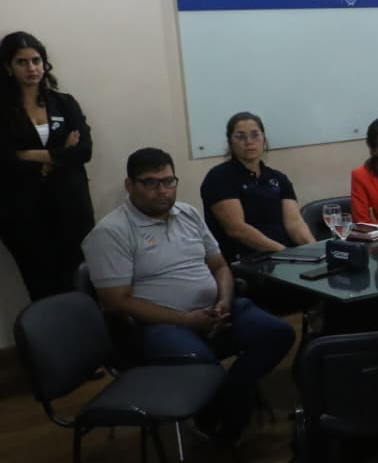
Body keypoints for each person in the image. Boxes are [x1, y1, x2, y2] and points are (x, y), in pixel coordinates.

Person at [81, 148, 296, 443]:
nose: (162, 191)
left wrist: (223, 300)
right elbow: (116, 301)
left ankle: (226, 399)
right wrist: (189, 320)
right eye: (150, 183)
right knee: (203, 364)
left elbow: (220, 265)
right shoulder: (111, 232)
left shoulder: (188, 214)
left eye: (169, 181)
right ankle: (221, 419)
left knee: (279, 334)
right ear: (129, 185)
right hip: (161, 326)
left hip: (216, 312)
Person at [0, 31, 96, 301]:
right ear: (8, 67)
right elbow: (4, 160)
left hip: (72, 208)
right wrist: (60, 154)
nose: (31, 68)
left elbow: (84, 151)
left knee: (82, 282)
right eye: (22, 62)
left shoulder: (64, 103)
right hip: (23, 213)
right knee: (43, 286)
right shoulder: (3, 110)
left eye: (36, 60)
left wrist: (29, 155)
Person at [200, 112, 316, 261]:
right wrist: (285, 254)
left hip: (285, 256)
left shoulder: (278, 178)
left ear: (264, 140)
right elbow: (237, 230)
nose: (249, 141)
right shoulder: (219, 177)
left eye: (255, 135)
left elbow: (295, 224)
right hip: (249, 260)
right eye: (240, 137)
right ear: (230, 142)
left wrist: (316, 252)